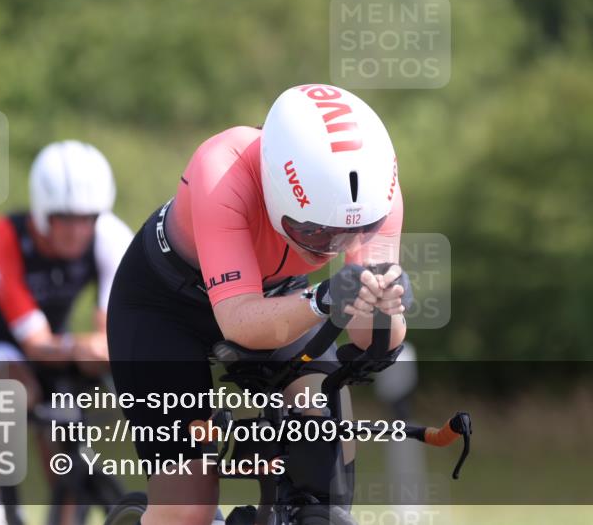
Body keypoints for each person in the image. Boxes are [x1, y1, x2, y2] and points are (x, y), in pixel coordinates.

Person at [107, 84, 409, 525]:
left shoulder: (374, 193)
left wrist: (386, 308)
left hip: (278, 294)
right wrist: (325, 297)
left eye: (352, 235)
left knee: (326, 448)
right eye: (316, 234)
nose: (333, 249)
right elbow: (239, 322)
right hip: (165, 307)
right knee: (186, 507)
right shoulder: (220, 170)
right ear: (275, 192)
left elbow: (370, 341)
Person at [0, 140, 134, 525]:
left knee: (65, 417)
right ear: (43, 212)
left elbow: (116, 333)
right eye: (66, 219)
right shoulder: (3, 237)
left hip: (52, 335)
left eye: (88, 219)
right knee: (15, 389)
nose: (79, 231)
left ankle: (68, 504)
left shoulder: (110, 234)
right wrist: (86, 347)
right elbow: (37, 345)